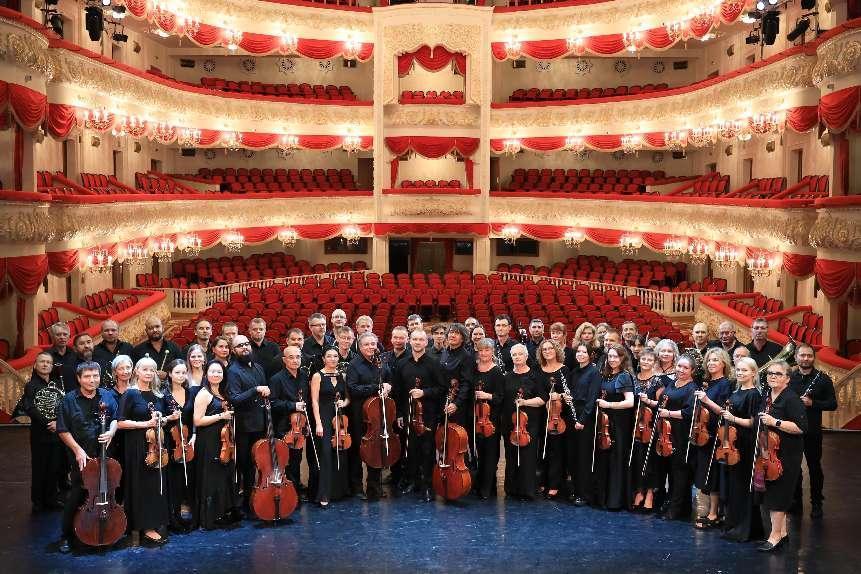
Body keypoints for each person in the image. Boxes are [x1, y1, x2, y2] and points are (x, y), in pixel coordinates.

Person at [56, 361, 119, 553]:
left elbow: (115, 418)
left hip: (104, 454)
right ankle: (66, 535)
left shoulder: (107, 395)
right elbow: (62, 429)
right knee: (77, 494)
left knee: (105, 492)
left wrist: (111, 432)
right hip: (80, 455)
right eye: (87, 376)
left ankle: (102, 530)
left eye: (95, 376)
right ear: (79, 378)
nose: (92, 380)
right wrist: (77, 450)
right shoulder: (69, 400)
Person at [116, 357, 170, 545]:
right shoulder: (130, 394)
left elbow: (161, 418)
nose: (148, 373)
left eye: (152, 370)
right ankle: (141, 526)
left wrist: (161, 419)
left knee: (155, 485)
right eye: (145, 369)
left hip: (155, 445)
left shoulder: (157, 394)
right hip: (137, 446)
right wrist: (146, 423)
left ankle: (152, 523)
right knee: (141, 485)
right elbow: (120, 422)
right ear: (136, 372)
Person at [756, 360, 807, 552]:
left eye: (778, 374)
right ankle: (782, 533)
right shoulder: (767, 395)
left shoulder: (791, 399)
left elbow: (801, 427)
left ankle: (775, 536)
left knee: (779, 495)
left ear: (787, 378)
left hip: (787, 454)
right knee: (771, 493)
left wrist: (775, 422)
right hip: (769, 452)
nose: (772, 376)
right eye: (770, 373)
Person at [393, 329, 444, 502]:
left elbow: (441, 389)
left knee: (427, 450)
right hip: (408, 412)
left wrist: (424, 392)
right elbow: (398, 391)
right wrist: (400, 413)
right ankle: (412, 481)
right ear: (410, 341)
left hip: (428, 414)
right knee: (411, 449)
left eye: (421, 339)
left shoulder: (434, 363)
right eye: (414, 339)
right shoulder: (402, 364)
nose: (417, 342)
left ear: (426, 342)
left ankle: (428, 486)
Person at [719, 357, 764, 542]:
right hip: (732, 443)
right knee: (733, 487)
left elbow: (754, 422)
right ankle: (733, 524)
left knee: (742, 486)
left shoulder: (754, 394)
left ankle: (744, 529)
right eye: (738, 370)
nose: (740, 373)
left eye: (744, 370)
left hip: (745, 444)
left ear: (753, 373)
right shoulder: (736, 391)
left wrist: (733, 418)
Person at [789, 343, 837, 518]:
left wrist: (813, 403)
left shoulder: (823, 379)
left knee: (814, 467)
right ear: (796, 357)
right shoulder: (789, 378)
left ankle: (817, 503)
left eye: (809, 355)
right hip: (792, 429)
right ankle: (796, 502)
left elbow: (833, 404)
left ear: (813, 358)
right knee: (794, 468)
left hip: (812, 431)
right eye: (802, 355)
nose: (805, 358)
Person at [192, 360, 241, 529]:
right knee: (210, 478)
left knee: (222, 477)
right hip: (208, 441)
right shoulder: (203, 394)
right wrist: (221, 416)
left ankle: (221, 513)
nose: (216, 374)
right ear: (206, 374)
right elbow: (197, 421)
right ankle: (208, 518)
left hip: (223, 440)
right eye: (212, 371)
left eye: (219, 372)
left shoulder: (222, 392)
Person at [225, 335, 270, 511]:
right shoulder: (233, 371)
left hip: (260, 423)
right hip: (244, 426)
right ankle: (244, 503)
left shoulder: (258, 368)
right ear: (233, 350)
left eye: (246, 344)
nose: (245, 347)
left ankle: (257, 498)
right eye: (239, 346)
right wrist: (255, 389)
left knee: (258, 463)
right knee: (245, 465)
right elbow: (235, 398)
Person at [691, 348, 733, 530]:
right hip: (703, 433)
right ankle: (708, 510)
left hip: (715, 433)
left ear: (724, 363)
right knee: (704, 473)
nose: (711, 363)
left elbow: (724, 411)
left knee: (713, 473)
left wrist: (707, 400)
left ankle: (714, 513)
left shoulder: (726, 384)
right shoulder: (707, 383)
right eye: (709, 360)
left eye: (715, 360)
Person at [269, 346, 317, 501]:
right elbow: (272, 403)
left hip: (299, 427)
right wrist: (293, 405)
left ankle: (295, 492)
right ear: (284, 360)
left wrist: (306, 424)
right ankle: (285, 494)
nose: (295, 360)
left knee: (296, 460)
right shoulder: (276, 379)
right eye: (291, 357)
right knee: (285, 461)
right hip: (283, 426)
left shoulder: (304, 376)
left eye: (298, 357)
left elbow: (307, 401)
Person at [345, 332, 388, 500]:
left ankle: (374, 487)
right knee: (358, 450)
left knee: (376, 449)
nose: (371, 347)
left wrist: (388, 386)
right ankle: (356, 487)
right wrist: (375, 388)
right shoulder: (354, 365)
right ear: (360, 346)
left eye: (373, 344)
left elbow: (388, 379)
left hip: (377, 414)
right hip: (359, 415)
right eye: (367, 344)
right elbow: (353, 388)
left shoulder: (380, 362)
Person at [501, 343, 547, 500]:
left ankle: (527, 490)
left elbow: (542, 399)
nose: (517, 357)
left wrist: (525, 402)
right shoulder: (506, 377)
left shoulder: (535, 375)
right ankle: (511, 488)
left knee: (528, 457)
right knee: (511, 456)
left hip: (528, 424)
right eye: (514, 355)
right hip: (510, 423)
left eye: (520, 354)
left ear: (526, 356)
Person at [22, 351, 66, 512]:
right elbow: (30, 408)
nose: (45, 364)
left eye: (48, 362)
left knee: (54, 467)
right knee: (40, 466)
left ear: (52, 366)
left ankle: (51, 498)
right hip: (40, 432)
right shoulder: (31, 385)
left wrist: (58, 422)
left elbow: (63, 405)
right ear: (35, 365)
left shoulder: (57, 384)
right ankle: (38, 501)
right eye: (42, 361)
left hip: (57, 431)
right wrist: (49, 423)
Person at [593, 344, 635, 510]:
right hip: (605, 423)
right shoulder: (606, 375)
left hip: (619, 423)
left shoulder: (624, 376)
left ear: (623, 358)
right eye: (610, 356)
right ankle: (602, 498)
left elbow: (630, 402)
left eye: (616, 356)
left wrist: (609, 405)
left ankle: (615, 501)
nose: (612, 359)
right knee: (605, 459)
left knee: (616, 459)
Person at [655, 355, 696, 521]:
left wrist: (668, 413)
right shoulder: (673, 384)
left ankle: (677, 509)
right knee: (670, 472)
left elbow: (689, 412)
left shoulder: (692, 388)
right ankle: (671, 504)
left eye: (686, 368)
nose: (681, 370)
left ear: (692, 370)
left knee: (680, 474)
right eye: (679, 366)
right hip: (667, 433)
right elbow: (662, 401)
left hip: (681, 434)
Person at [311, 347, 351, 507]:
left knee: (339, 453)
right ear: (323, 359)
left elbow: (348, 398)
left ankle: (339, 491)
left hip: (339, 418)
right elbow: (314, 401)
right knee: (326, 454)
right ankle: (324, 493)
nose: (333, 359)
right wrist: (318, 423)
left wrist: (344, 403)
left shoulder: (342, 375)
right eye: (329, 356)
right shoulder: (317, 376)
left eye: (335, 356)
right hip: (324, 417)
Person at [631, 348, 665, 513]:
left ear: (654, 362)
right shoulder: (633, 378)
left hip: (650, 426)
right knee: (637, 460)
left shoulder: (657, 381)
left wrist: (649, 401)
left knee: (650, 461)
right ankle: (639, 491)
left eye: (649, 360)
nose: (646, 362)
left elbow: (661, 404)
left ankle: (650, 493)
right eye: (643, 359)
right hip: (634, 424)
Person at [535, 339, 571, 500]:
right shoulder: (539, 370)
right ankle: (543, 480)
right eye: (544, 349)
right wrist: (546, 397)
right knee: (543, 448)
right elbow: (538, 391)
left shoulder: (564, 370)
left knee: (557, 450)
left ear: (556, 350)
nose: (547, 351)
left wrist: (560, 395)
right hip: (543, 414)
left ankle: (555, 484)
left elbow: (569, 392)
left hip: (558, 415)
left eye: (550, 348)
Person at [568, 342, 602, 506]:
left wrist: (582, 420)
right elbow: (573, 393)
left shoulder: (594, 373)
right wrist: (567, 397)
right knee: (573, 456)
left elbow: (591, 399)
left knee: (584, 457)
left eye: (584, 352)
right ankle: (576, 490)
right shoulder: (574, 371)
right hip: (572, 415)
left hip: (585, 418)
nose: (580, 354)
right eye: (578, 351)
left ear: (590, 355)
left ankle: (584, 493)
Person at [162, 359, 194, 533]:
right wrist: (169, 420)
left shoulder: (190, 392)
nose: (181, 376)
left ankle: (182, 515)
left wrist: (193, 435)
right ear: (169, 374)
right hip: (171, 442)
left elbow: (193, 417)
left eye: (183, 372)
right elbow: (160, 419)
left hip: (186, 442)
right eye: (177, 372)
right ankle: (172, 518)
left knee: (184, 481)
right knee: (172, 482)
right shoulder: (164, 394)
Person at [472, 338, 504, 500]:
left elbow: (501, 397)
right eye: (481, 350)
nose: (484, 353)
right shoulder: (474, 369)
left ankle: (488, 488)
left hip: (491, 419)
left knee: (491, 454)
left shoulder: (496, 372)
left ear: (492, 352)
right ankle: (480, 484)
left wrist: (487, 395)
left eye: (487, 350)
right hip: (476, 418)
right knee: (480, 453)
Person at [107, 355, 133, 505]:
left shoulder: (137, 390)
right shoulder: (108, 394)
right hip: (115, 440)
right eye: (121, 368)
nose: (125, 371)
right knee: (116, 475)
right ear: (115, 372)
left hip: (133, 438)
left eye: (128, 367)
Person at [438, 323, 473, 428]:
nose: (452, 335)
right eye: (451, 332)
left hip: (456, 405)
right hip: (442, 401)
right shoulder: (444, 352)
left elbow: (466, 383)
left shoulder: (466, 357)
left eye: (456, 333)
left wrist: (456, 403)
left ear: (463, 338)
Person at [131, 316, 182, 382]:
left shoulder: (174, 347)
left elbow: (181, 370)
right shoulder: (138, 350)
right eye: (150, 328)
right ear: (146, 331)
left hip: (170, 385)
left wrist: (167, 376)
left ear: (162, 328)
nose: (154, 330)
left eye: (157, 326)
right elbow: (134, 374)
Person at [92, 320, 134, 385]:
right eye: (106, 330)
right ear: (101, 333)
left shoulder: (127, 347)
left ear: (118, 332)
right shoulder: (95, 351)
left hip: (127, 387)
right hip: (104, 389)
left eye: (113, 330)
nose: (110, 333)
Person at [47, 322, 74, 390]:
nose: (62, 337)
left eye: (65, 334)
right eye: (58, 335)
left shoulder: (75, 353)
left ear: (69, 336)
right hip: (54, 392)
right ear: (52, 337)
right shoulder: (46, 356)